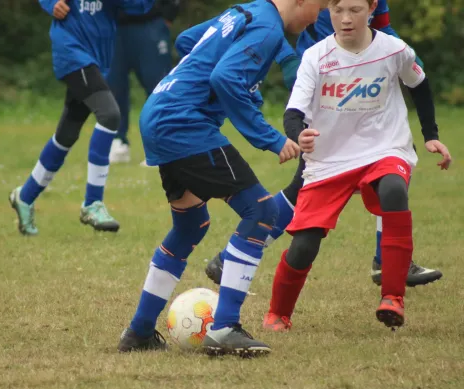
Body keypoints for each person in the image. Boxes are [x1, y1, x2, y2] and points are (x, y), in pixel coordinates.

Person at [117, 0, 326, 356]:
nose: (319, 16)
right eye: (320, 7)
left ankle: (138, 332)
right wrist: (272, 139)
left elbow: (187, 41)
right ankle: (225, 327)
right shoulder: (268, 26)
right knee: (261, 212)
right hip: (184, 123)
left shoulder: (247, 10)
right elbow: (225, 77)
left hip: (159, 112)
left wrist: (223, 86)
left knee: (190, 225)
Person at [205, 0, 443, 287]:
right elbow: (276, 18)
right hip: (324, 77)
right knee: (304, 186)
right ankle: (232, 256)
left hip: (361, 77)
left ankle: (388, 260)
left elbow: (380, 26)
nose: (346, 17)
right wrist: (288, 59)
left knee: (395, 159)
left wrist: (405, 54)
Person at [261, 0, 451, 332]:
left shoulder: (394, 50)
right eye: (338, 11)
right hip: (329, 161)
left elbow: (418, 85)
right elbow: (293, 113)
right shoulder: (315, 56)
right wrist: (299, 134)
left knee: (393, 190)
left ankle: (392, 297)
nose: (346, 19)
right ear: (327, 12)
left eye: (355, 10)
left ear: (372, 8)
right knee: (304, 245)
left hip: (383, 149)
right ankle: (277, 314)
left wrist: (431, 135)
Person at [9, 0, 155, 235]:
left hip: (98, 56)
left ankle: (24, 197)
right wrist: (51, 3)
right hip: (72, 50)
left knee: (67, 133)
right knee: (109, 114)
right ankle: (92, 203)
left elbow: (139, 6)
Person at [108, 0, 182, 164]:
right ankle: (118, 140)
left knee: (158, 86)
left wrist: (169, 13)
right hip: (113, 26)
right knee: (114, 85)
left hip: (150, 22)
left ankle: (164, 145)